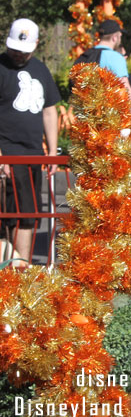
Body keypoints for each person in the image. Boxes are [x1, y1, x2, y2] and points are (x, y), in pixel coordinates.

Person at [0, 19, 59, 264]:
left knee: (27, 215)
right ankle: (7, 270)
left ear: (34, 46)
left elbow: (49, 111)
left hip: (33, 155)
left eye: (24, 51)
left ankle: (20, 269)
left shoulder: (41, 70)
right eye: (15, 49)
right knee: (6, 216)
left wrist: (53, 153)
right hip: (7, 153)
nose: (18, 54)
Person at [90, 19, 131, 115]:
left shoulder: (86, 55)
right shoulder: (115, 57)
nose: (120, 39)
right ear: (114, 38)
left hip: (87, 119)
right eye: (120, 36)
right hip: (109, 119)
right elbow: (125, 88)